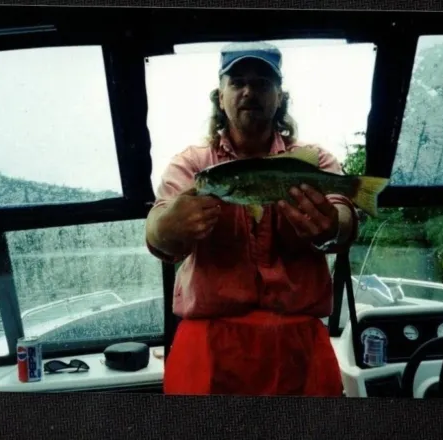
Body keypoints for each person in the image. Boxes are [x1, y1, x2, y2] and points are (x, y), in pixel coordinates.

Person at [145, 41, 359, 396]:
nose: (249, 91)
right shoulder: (193, 165)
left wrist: (334, 226)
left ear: (279, 97)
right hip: (209, 342)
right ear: (220, 96)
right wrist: (166, 227)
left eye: (262, 83)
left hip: (299, 346)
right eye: (238, 82)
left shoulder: (313, 159)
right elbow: (156, 229)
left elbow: (344, 217)